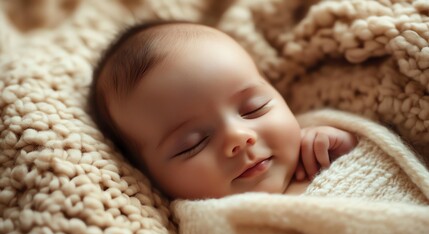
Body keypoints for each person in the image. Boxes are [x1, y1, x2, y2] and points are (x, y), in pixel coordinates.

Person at [89, 20, 358, 199]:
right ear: (147, 178)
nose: (238, 137)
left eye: (254, 109)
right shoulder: (205, 224)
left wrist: (349, 148)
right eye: (192, 144)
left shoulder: (317, 141)